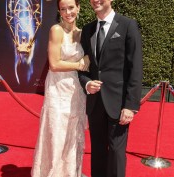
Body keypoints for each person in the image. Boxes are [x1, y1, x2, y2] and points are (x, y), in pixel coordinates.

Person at [78, 0, 143, 177]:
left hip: (119, 103)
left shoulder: (128, 25)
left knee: (116, 152)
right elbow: (82, 67)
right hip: (95, 102)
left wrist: (130, 105)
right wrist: (86, 83)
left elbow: (135, 67)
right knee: (98, 150)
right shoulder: (87, 29)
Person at [31, 0, 89, 176]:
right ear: (59, 11)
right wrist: (80, 64)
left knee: (73, 133)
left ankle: (71, 172)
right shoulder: (56, 30)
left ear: (78, 7)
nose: (67, 12)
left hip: (76, 90)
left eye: (71, 7)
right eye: (63, 9)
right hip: (57, 88)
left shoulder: (82, 33)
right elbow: (54, 64)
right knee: (57, 132)